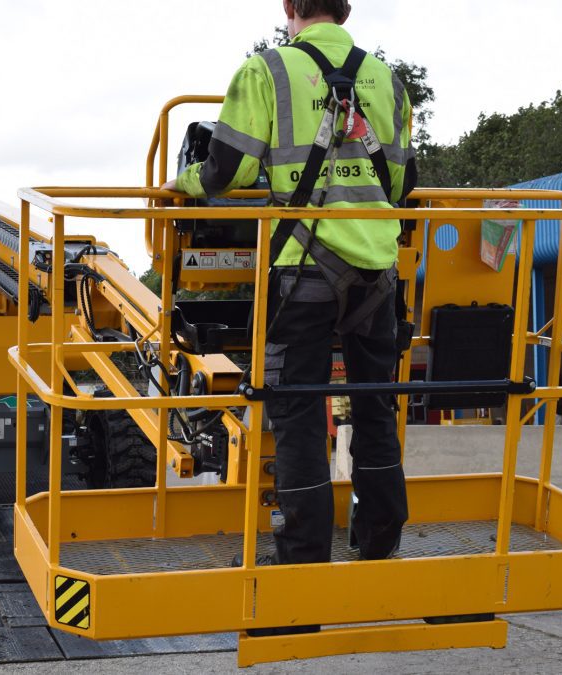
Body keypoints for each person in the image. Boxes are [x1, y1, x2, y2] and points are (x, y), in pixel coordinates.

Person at [163, 0, 417, 567]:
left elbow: (229, 171)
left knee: (297, 410)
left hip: (305, 269)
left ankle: (304, 555)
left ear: (288, 7)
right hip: (378, 270)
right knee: (375, 406)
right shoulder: (387, 80)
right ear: (344, 10)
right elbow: (402, 179)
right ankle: (380, 543)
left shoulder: (267, 71)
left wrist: (182, 184)